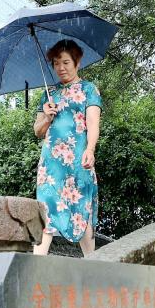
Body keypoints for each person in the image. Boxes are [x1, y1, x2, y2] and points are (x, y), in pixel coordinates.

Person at [32, 39, 102, 256]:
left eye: (66, 62)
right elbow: (38, 131)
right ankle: (35, 268)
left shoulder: (89, 89)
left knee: (82, 212)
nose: (60, 68)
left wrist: (90, 150)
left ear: (77, 62)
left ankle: (94, 266)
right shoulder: (48, 95)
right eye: (56, 63)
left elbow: (92, 124)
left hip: (78, 162)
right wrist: (47, 117)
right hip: (51, 166)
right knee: (45, 212)